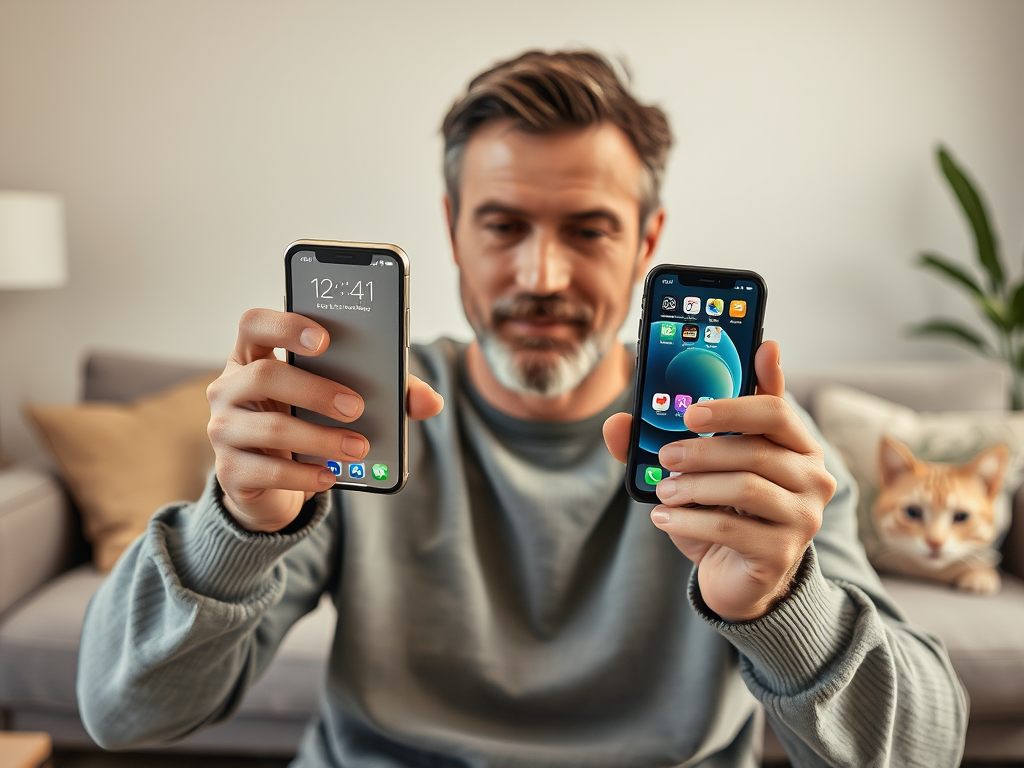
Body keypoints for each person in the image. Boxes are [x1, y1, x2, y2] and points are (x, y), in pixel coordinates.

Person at [78, 50, 967, 767]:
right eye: (503, 226)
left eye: (588, 229)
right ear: (454, 230)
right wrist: (234, 530)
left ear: (646, 241)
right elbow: (125, 715)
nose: (542, 278)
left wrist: (780, 603)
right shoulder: (351, 419)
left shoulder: (752, 454)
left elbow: (929, 749)